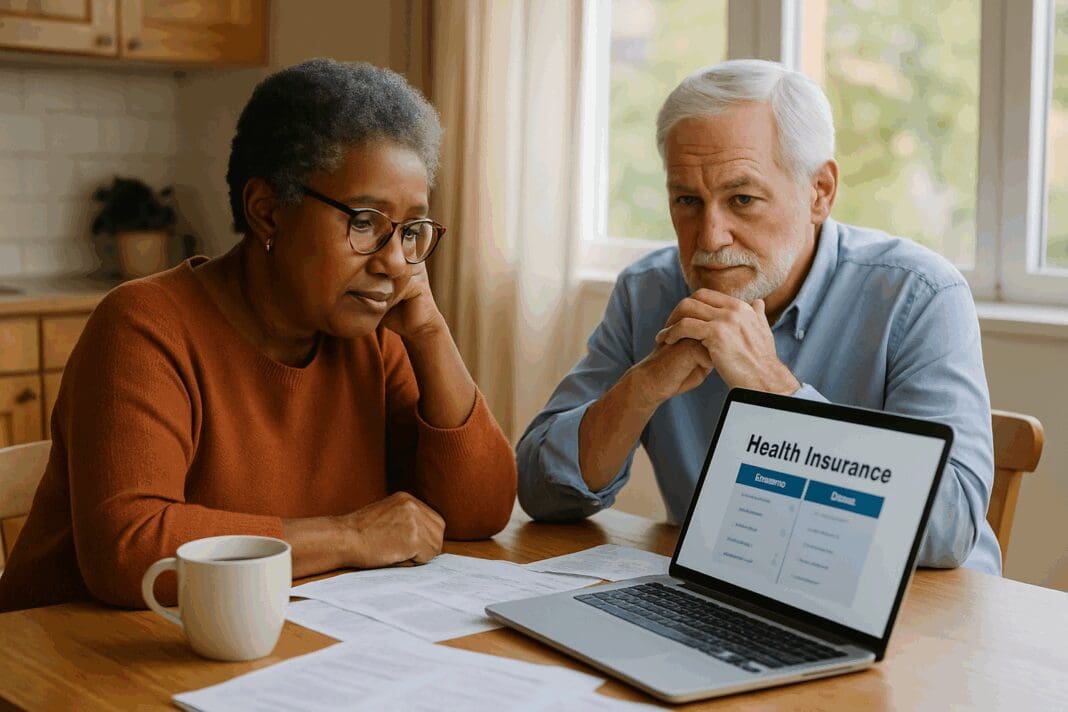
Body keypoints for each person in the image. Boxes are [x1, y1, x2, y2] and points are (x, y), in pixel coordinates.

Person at [0, 59, 517, 612]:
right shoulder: (143, 326)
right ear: (267, 213)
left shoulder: (376, 335)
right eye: (365, 222)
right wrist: (350, 536)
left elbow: (479, 512)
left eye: (411, 229)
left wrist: (431, 332)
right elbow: (131, 549)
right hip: (71, 662)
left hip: (255, 648)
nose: (395, 262)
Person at [516, 59, 1000, 574]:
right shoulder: (647, 292)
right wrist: (644, 387)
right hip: (729, 598)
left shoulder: (920, 295)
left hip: (919, 617)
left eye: (742, 199)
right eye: (687, 200)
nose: (709, 238)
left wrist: (775, 391)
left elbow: (950, 528)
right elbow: (539, 491)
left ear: (820, 192)